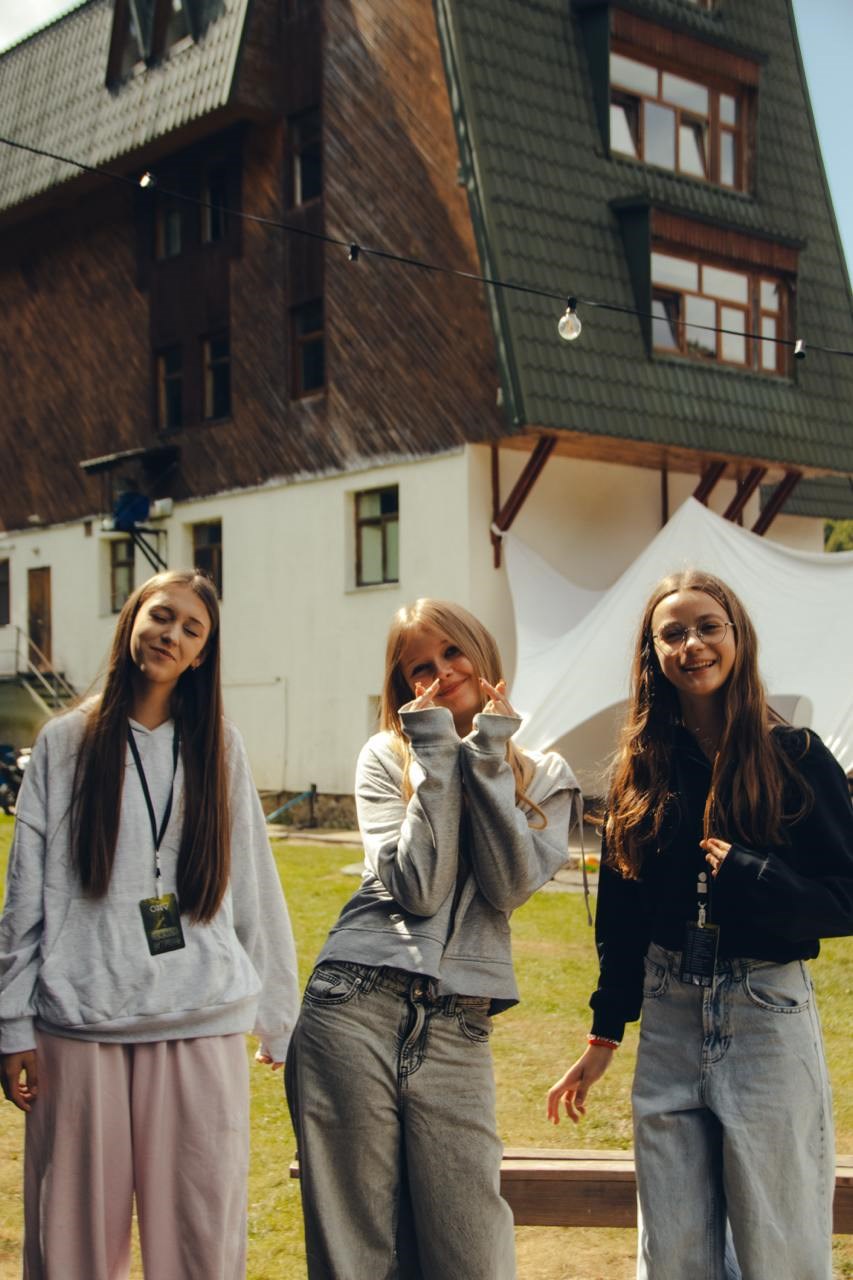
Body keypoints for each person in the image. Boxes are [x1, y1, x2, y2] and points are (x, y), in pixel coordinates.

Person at [546, 569, 853, 1280]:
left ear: (737, 636)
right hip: (669, 1016)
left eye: (708, 627)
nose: (692, 645)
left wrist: (758, 877)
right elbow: (621, 920)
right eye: (673, 633)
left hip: (765, 1009)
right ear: (652, 653)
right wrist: (603, 1033)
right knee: (674, 1255)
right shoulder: (641, 768)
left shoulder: (796, 756)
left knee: (780, 1251)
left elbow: (845, 894)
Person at [0, 569, 299, 1280]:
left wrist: (279, 1016)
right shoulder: (64, 743)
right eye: (162, 616)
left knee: (200, 1243)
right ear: (132, 619)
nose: (172, 635)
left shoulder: (219, 746)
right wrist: (12, 1024)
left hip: (199, 1020)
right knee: (72, 1246)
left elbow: (254, 880)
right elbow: (24, 895)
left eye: (192, 629)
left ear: (202, 655)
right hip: (81, 1024)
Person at [286, 598, 580, 1280]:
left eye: (452, 652)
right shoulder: (386, 756)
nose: (442, 672)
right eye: (419, 667)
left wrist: (487, 756)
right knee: (358, 1255)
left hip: (458, 1023)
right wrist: (437, 756)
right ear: (403, 688)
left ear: (482, 653)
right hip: (354, 1002)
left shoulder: (547, 776)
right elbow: (418, 886)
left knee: (470, 1253)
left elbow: (508, 884)